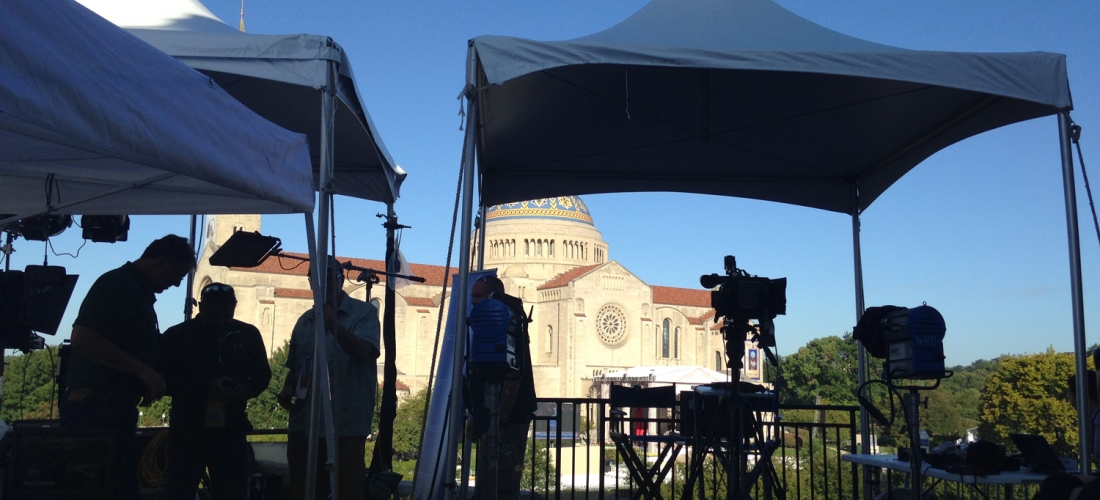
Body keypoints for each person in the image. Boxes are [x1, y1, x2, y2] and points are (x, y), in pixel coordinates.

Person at [60, 234, 195, 500]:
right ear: (161, 261)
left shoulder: (136, 291)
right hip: (96, 410)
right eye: (177, 275)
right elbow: (83, 338)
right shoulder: (117, 284)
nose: (177, 284)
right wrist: (142, 371)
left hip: (111, 409)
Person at [278, 256, 380, 500]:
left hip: (345, 423)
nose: (326, 285)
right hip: (305, 424)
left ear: (341, 279)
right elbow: (296, 366)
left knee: (346, 489)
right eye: (319, 279)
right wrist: (287, 388)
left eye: (331, 278)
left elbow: (366, 351)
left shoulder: (363, 313)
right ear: (311, 283)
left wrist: (333, 324)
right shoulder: (304, 322)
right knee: (303, 489)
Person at [161, 283, 271, 500]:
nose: (220, 322)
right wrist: (205, 386)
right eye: (214, 317)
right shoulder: (177, 336)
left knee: (233, 492)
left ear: (235, 307)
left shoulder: (248, 334)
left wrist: (245, 390)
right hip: (188, 431)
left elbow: (263, 376)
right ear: (200, 307)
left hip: (231, 429)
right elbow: (164, 379)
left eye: (226, 317)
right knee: (179, 491)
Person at [467, 275, 537, 500]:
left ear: (492, 297)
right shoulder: (495, 320)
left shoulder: (506, 320)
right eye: (472, 296)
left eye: (477, 296)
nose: (473, 302)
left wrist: (501, 420)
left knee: (501, 484)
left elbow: (513, 375)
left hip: (509, 419)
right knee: (488, 482)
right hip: (493, 417)